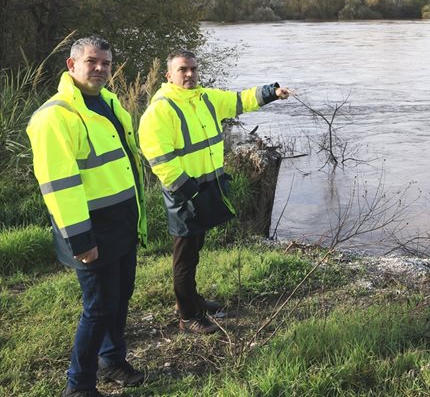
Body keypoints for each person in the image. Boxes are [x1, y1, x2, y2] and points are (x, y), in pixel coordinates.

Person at [138, 49, 290, 334]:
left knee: (196, 250)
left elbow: (239, 100)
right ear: (168, 75)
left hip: (207, 187)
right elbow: (158, 158)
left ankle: (192, 300)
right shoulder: (160, 109)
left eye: (193, 69)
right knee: (184, 257)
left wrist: (272, 92)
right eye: (183, 69)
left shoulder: (206, 98)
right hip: (184, 193)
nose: (190, 74)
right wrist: (188, 190)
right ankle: (187, 316)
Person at [27, 37, 147, 397]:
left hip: (122, 221)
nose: (100, 69)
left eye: (106, 63)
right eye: (92, 61)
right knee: (98, 308)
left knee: (120, 296)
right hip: (91, 229)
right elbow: (59, 185)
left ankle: (112, 360)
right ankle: (78, 385)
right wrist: (81, 240)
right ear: (71, 65)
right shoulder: (54, 116)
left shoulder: (107, 101)